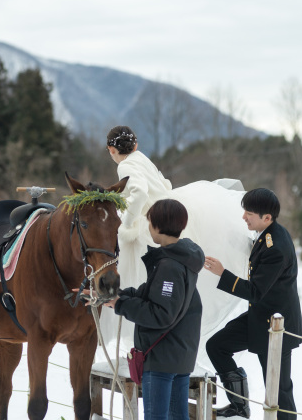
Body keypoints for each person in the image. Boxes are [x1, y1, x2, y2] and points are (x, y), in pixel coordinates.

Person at [101, 125, 252, 368]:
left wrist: (126, 224)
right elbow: (165, 183)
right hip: (167, 210)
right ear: (136, 145)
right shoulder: (141, 158)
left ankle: (140, 339)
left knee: (143, 277)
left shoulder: (125, 165)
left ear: (110, 149)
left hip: (150, 223)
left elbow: (139, 193)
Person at [204, 188, 302, 420]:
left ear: (266, 218)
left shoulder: (275, 247)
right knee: (217, 345)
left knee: (279, 388)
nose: (244, 217)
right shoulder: (267, 235)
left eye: (249, 213)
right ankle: (239, 404)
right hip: (260, 319)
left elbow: (256, 291)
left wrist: (222, 274)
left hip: (277, 327)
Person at [101, 199, 204, 420]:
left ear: (157, 225)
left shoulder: (169, 265)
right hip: (178, 353)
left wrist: (120, 305)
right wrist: (117, 297)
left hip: (161, 356)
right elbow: (151, 293)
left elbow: (161, 313)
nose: (148, 227)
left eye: (149, 222)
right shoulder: (182, 258)